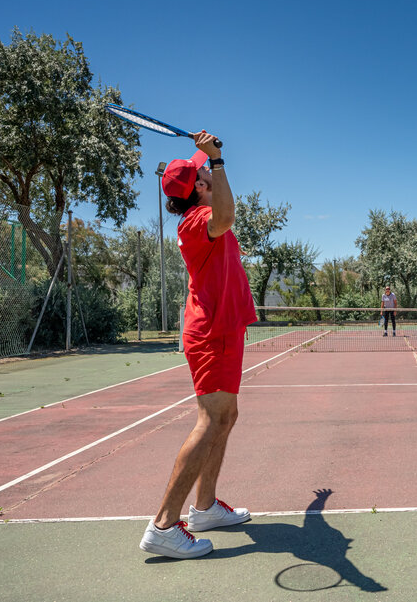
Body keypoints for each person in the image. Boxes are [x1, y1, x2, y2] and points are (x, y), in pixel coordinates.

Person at [139, 132, 256, 559]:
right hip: (212, 335)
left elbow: (222, 210)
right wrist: (220, 159)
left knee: (226, 416)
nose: (206, 168)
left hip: (223, 329)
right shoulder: (196, 223)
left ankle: (204, 508)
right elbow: (226, 215)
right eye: (204, 171)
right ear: (201, 187)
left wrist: (214, 159)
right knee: (211, 419)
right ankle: (164, 526)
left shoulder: (200, 209)